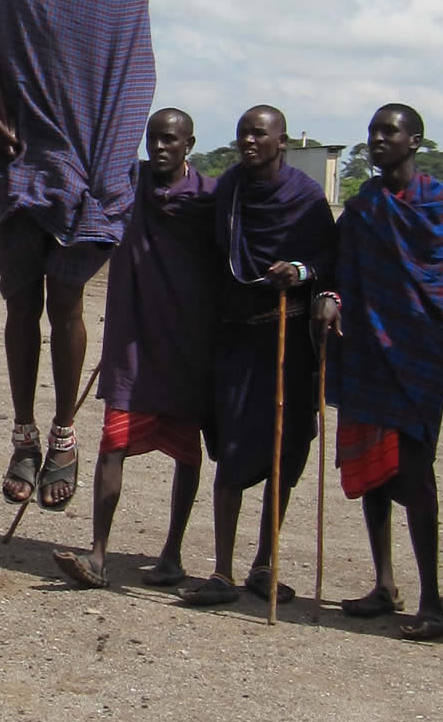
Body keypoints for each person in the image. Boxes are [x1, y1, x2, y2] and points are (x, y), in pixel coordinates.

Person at [0, 0, 153, 513]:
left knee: (66, 303)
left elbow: (133, 77)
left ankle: (65, 439)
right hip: (18, 163)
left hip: (90, 165)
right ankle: (24, 435)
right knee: (21, 304)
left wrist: (110, 166)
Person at [317, 104, 443, 640]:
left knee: (417, 478)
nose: (377, 140)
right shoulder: (363, 208)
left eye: (389, 132)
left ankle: (432, 600)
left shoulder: (440, 204)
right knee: (372, 473)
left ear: (415, 141)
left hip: (419, 360)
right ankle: (385, 584)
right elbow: (338, 271)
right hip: (367, 357)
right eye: (373, 133)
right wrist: (330, 297)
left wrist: (426, 351)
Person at [54, 108, 216, 590]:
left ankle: (172, 554)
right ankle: (98, 554)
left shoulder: (208, 198)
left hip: (186, 343)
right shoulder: (130, 183)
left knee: (187, 454)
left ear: (190, 143)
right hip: (132, 340)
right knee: (114, 442)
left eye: (170, 140)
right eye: (153, 139)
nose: (160, 147)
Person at [179, 105, 332, 608]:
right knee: (233, 448)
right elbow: (207, 253)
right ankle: (221, 571)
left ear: (281, 142)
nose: (249, 141)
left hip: (287, 341)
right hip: (235, 340)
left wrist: (302, 273)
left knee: (284, 453)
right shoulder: (229, 189)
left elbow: (329, 263)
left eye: (259, 134)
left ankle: (264, 564)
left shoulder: (306, 198)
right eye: (243, 133)